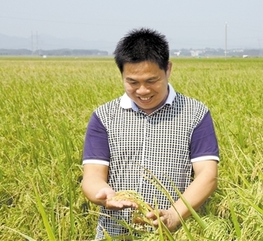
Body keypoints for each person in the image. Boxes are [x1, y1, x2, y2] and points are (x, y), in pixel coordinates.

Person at [81, 28, 219, 239]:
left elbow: (207, 175)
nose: (143, 91)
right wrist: (103, 195)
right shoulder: (104, 116)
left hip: (173, 234)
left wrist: (174, 216)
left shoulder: (195, 114)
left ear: (168, 69)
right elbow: (92, 176)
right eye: (132, 82)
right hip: (115, 233)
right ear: (122, 75)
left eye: (151, 81)